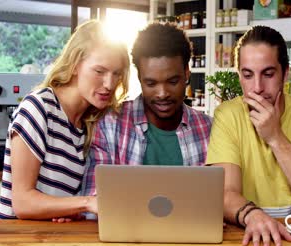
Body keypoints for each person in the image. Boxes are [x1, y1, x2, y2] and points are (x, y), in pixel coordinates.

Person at [206, 26, 291, 246]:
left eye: (268, 74)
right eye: (248, 75)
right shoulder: (227, 115)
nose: (257, 88)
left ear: (285, 73)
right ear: (239, 76)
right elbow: (224, 193)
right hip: (248, 233)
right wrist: (253, 215)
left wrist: (275, 136)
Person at [0, 20, 130, 221]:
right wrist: (86, 203)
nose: (109, 84)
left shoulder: (88, 123)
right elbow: (22, 203)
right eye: (99, 71)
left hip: (51, 241)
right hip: (18, 244)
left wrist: (68, 211)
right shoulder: (39, 108)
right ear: (76, 65)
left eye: (117, 74)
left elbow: (58, 202)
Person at [81, 23, 212, 198]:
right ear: (140, 78)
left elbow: (219, 198)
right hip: (126, 225)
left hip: (195, 226)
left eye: (172, 81)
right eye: (151, 83)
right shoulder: (109, 125)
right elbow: (94, 198)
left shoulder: (209, 129)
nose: (162, 93)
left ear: (187, 73)